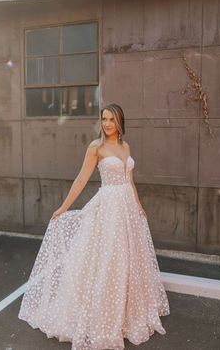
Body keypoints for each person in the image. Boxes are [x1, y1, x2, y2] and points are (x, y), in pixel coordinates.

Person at [18, 103, 170, 350]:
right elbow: (81, 178)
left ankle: (125, 313)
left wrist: (139, 207)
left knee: (128, 260)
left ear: (120, 122)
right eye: (104, 119)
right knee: (107, 259)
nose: (107, 124)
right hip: (108, 208)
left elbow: (130, 181)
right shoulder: (96, 147)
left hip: (127, 211)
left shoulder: (125, 146)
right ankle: (102, 313)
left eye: (111, 119)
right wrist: (63, 207)